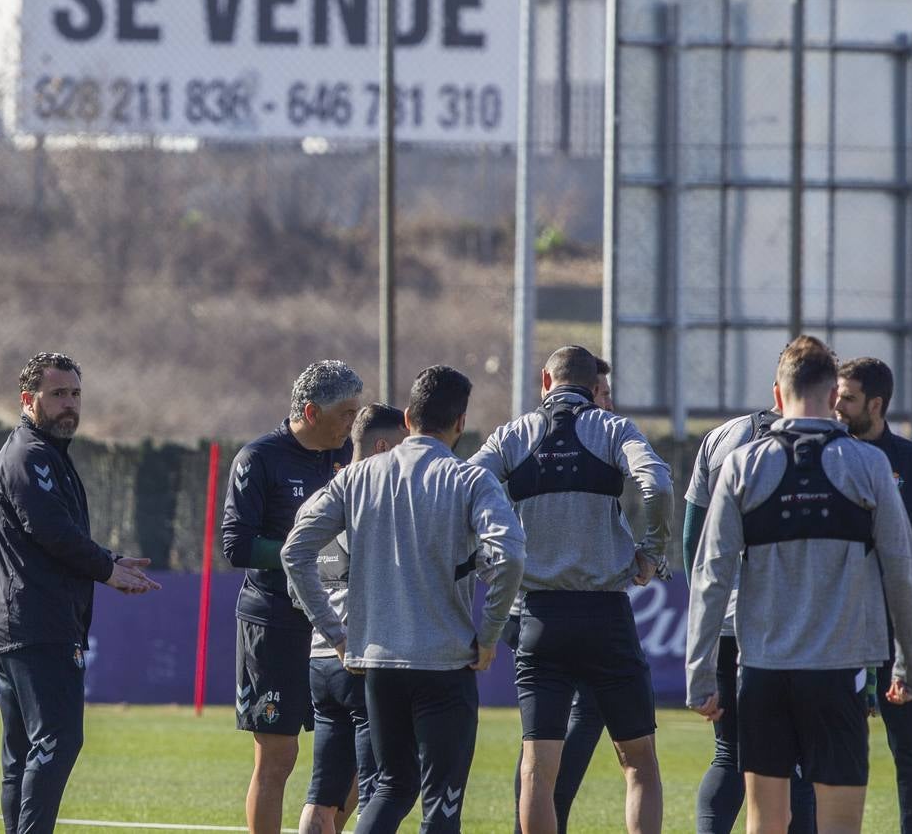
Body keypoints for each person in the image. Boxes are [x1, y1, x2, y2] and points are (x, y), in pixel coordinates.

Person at [687, 335, 912, 834]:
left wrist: (701, 673)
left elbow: (711, 574)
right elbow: (902, 570)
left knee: (765, 820)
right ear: (833, 396)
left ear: (778, 395)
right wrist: (907, 664)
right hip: (837, 670)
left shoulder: (742, 464)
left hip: (762, 671)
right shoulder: (868, 464)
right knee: (838, 822)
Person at [285, 365, 525, 833]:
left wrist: (336, 633)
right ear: (460, 424)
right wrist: (490, 633)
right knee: (442, 804)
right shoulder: (468, 480)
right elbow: (510, 554)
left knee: (392, 787)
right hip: (444, 664)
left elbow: (296, 551)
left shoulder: (357, 478)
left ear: (410, 416)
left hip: (378, 666)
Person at [470, 345, 672, 834]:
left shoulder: (516, 434)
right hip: (607, 615)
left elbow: (464, 483)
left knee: (538, 766)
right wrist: (652, 551)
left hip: (539, 616)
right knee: (638, 762)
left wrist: (486, 558)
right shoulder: (611, 428)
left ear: (546, 381)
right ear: (591, 386)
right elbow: (658, 484)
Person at [0, 352, 160, 834]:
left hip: (20, 620)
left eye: (75, 394)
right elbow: (50, 530)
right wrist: (105, 568)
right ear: (27, 400)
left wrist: (109, 559)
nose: (69, 405)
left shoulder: (46, 453)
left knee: (24, 751)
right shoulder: (29, 454)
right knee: (58, 739)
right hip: (34, 622)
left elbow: (56, 532)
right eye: (58, 394)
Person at [223, 360, 362, 834]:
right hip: (274, 622)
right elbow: (236, 544)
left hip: (336, 621)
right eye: (346, 413)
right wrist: (304, 554)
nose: (352, 423)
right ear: (311, 411)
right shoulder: (258, 458)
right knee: (278, 756)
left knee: (349, 753)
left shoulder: (351, 455)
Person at [685, 380, 818, 834]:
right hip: (792, 626)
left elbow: (693, 539)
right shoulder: (831, 446)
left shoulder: (722, 437)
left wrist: (709, 603)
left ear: (778, 387)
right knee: (797, 760)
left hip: (726, 622)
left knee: (728, 755)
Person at [836, 356, 912, 834]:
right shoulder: (826, 455)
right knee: (828, 748)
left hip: (896, 629)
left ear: (876, 403)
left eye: (847, 398)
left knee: (908, 749)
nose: (838, 406)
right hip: (837, 628)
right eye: (836, 396)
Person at [506, 356, 616, 834]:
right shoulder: (547, 441)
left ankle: (538, 820)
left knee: (543, 737)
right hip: (546, 603)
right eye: (601, 392)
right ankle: (544, 818)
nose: (605, 401)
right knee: (558, 731)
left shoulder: (521, 441)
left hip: (535, 604)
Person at [295, 402, 403, 834]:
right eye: (400, 447)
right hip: (362, 659)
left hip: (321, 661)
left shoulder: (319, 497)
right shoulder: (378, 501)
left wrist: (328, 630)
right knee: (377, 793)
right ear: (381, 446)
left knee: (321, 799)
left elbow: (294, 577)